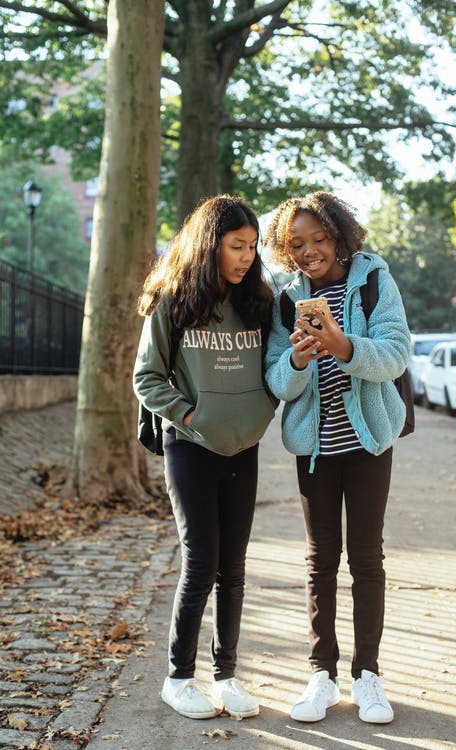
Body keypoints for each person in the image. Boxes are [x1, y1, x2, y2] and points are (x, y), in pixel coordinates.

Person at [264, 192, 410, 725]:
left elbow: (396, 354)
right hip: (315, 449)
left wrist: (343, 346)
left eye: (319, 239)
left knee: (366, 558)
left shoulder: (373, 280)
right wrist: (298, 358)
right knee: (320, 560)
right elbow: (277, 379)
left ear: (339, 235)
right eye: (296, 244)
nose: (309, 252)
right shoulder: (287, 298)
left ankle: (367, 675)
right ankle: (320, 675)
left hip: (370, 440)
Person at [133, 195, 276, 720]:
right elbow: (145, 377)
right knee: (201, 561)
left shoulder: (260, 300)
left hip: (245, 446)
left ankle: (227, 676)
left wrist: (260, 412)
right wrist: (190, 417)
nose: (246, 256)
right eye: (236, 245)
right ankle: (178, 678)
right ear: (209, 243)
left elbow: (275, 367)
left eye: (252, 246)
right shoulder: (175, 300)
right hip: (190, 447)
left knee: (233, 567)